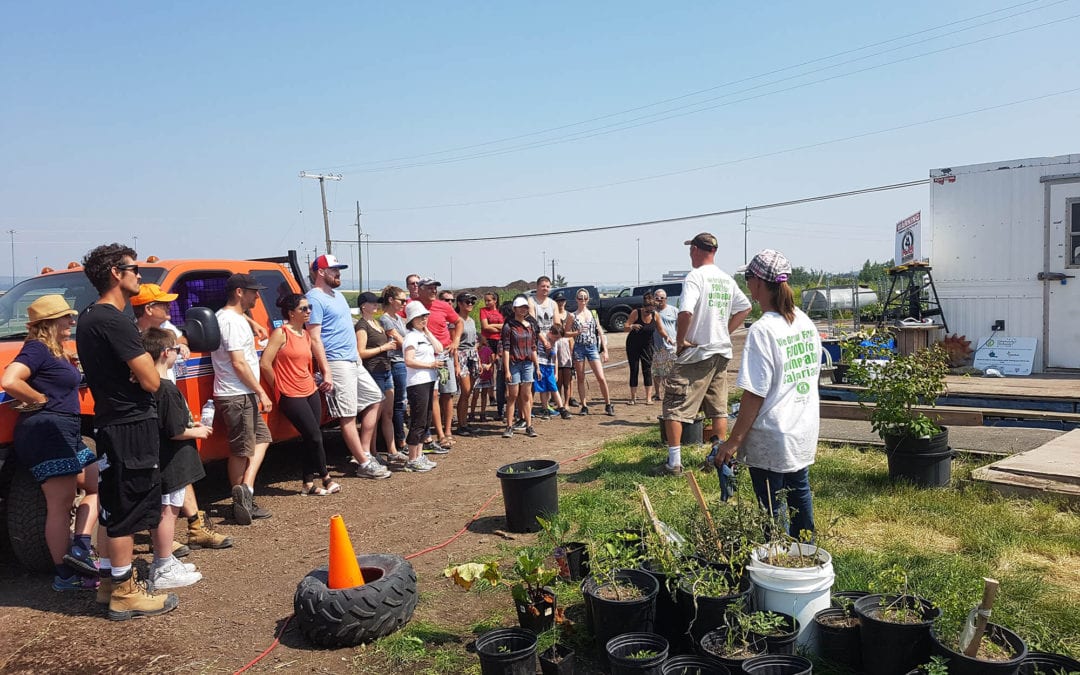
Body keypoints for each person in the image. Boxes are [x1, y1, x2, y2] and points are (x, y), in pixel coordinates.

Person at [76, 243, 177, 620]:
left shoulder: (89, 317)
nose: (140, 275)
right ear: (116, 273)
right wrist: (145, 369)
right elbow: (151, 380)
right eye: (134, 268)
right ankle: (124, 590)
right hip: (130, 423)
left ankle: (108, 582)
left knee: (112, 503)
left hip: (109, 420)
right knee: (129, 504)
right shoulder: (114, 321)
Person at [714, 249, 821, 538]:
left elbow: (754, 395)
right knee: (800, 494)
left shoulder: (762, 330)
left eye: (747, 277)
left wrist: (732, 443)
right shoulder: (803, 321)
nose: (746, 284)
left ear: (758, 282)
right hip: (801, 430)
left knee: (772, 510)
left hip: (771, 436)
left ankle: (778, 562)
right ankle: (806, 557)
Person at [1, 295, 100, 592]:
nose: (72, 321)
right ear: (48, 324)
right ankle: (65, 575)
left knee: (96, 484)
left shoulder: (53, 350)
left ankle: (81, 546)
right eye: (65, 318)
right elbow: (10, 380)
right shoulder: (36, 349)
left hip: (64, 430)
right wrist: (38, 399)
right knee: (59, 504)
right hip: (47, 431)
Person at [659, 233, 752, 476]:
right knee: (717, 407)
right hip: (721, 352)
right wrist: (725, 331)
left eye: (691, 249)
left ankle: (674, 463)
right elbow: (745, 307)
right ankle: (716, 459)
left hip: (697, 352)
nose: (690, 254)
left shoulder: (695, 277)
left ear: (699, 250)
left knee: (674, 406)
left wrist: (680, 340)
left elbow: (685, 311)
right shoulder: (726, 279)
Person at [307, 255, 390, 480]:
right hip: (336, 361)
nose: (338, 273)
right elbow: (314, 338)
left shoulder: (339, 296)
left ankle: (361, 452)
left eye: (339, 269)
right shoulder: (314, 298)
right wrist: (325, 370)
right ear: (321, 272)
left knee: (375, 398)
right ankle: (364, 463)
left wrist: (356, 356)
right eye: (334, 270)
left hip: (352, 360)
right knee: (347, 414)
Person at [259, 293, 341, 495]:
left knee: (311, 436)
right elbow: (265, 363)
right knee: (314, 436)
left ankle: (307, 483)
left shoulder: (305, 334)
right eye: (303, 309)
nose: (308, 312)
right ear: (291, 312)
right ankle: (326, 478)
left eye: (309, 307)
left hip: (309, 389)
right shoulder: (281, 333)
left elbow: (306, 363)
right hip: (290, 394)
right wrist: (278, 386)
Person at [144, 328, 206, 589]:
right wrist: (198, 430)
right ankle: (163, 564)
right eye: (174, 350)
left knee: (168, 509)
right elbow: (175, 430)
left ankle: (165, 561)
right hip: (171, 461)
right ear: (165, 353)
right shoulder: (166, 389)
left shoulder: (148, 386)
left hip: (161, 458)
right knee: (168, 511)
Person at [212, 273, 275, 524]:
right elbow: (238, 362)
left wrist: (251, 321)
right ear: (239, 292)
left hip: (240, 391)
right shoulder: (230, 322)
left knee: (262, 438)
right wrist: (261, 391)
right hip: (236, 392)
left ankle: (246, 489)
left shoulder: (232, 318)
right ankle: (241, 501)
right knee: (240, 450)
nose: (257, 296)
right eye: (253, 292)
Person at [409, 278, 463, 449]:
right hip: (424, 356)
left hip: (444, 354)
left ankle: (447, 431)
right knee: (433, 395)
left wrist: (455, 342)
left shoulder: (443, 306)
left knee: (448, 394)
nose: (433, 291)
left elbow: (458, 322)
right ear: (421, 289)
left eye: (435, 288)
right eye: (430, 288)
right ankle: (438, 434)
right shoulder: (413, 305)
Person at [355, 291, 406, 468]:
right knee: (373, 414)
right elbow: (360, 352)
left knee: (388, 413)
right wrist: (383, 347)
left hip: (385, 369)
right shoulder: (362, 326)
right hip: (373, 371)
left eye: (377, 302)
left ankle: (392, 451)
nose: (376, 305)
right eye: (372, 303)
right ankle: (372, 452)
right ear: (363, 306)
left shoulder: (376, 323)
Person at [401, 302, 442, 472]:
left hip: (428, 380)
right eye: (420, 317)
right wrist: (430, 365)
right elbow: (408, 360)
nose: (424, 319)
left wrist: (428, 332)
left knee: (426, 419)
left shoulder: (422, 335)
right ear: (412, 319)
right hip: (417, 382)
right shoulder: (411, 337)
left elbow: (439, 348)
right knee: (418, 420)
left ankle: (419, 455)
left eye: (425, 316)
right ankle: (412, 458)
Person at [565, 288, 615, 416]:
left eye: (585, 298)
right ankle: (584, 405)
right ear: (576, 299)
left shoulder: (593, 313)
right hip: (579, 348)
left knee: (601, 377)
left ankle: (608, 404)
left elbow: (600, 331)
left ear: (588, 299)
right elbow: (565, 333)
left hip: (592, 347)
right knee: (580, 377)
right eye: (580, 298)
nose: (583, 300)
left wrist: (605, 350)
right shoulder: (572, 315)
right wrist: (577, 332)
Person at [501, 295, 540, 438]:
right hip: (514, 363)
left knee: (526, 395)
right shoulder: (508, 326)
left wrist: (537, 366)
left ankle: (529, 425)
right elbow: (506, 348)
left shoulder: (530, 326)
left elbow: (533, 347)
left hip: (528, 363)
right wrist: (506, 369)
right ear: (515, 309)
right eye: (521, 307)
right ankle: (509, 426)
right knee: (512, 395)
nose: (524, 309)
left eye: (525, 307)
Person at [379, 285, 409, 452]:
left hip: (402, 360)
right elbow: (400, 340)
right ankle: (400, 440)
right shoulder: (386, 319)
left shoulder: (397, 318)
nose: (404, 303)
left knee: (401, 402)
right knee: (399, 402)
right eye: (401, 300)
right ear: (391, 300)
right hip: (396, 362)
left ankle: (400, 437)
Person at [624, 290, 667, 404]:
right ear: (644, 306)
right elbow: (625, 326)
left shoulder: (655, 315)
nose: (649, 311)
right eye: (648, 309)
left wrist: (668, 338)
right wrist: (632, 326)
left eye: (652, 308)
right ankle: (633, 398)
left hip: (647, 345)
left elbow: (661, 330)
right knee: (634, 370)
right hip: (633, 344)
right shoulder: (636, 313)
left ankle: (648, 398)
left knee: (647, 370)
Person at [453, 292, 480, 437]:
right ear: (460, 304)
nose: (470, 304)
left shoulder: (471, 320)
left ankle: (464, 423)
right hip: (462, 356)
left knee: (469, 392)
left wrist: (479, 360)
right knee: (465, 391)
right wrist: (456, 364)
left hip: (472, 356)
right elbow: (454, 345)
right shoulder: (456, 321)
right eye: (467, 302)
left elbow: (475, 341)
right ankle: (461, 424)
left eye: (472, 302)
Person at [479, 292, 506, 418]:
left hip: (499, 340)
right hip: (488, 340)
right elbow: (485, 327)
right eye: (486, 300)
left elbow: (504, 326)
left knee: (499, 366)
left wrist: (492, 326)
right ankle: (491, 395)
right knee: (490, 369)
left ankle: (498, 393)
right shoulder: (483, 311)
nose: (487, 303)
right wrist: (498, 327)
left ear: (495, 300)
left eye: (489, 300)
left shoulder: (500, 311)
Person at [651, 288, 678, 403]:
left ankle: (671, 393)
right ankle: (658, 393)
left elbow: (681, 326)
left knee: (671, 371)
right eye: (657, 298)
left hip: (671, 346)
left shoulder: (674, 311)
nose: (659, 300)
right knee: (657, 371)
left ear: (666, 299)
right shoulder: (651, 312)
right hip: (656, 346)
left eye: (662, 298)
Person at [469, 340, 494, 422]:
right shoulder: (474, 351)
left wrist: (488, 366)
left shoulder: (487, 350)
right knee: (475, 395)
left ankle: (482, 413)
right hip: (477, 376)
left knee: (484, 394)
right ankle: (472, 413)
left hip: (486, 375)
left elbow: (492, 361)